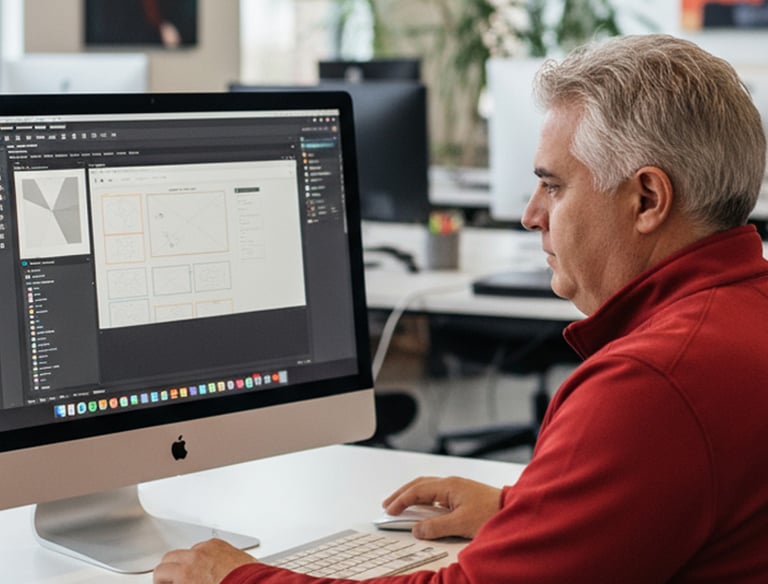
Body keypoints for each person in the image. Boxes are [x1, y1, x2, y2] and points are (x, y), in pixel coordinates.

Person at [153, 33, 768, 583]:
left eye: (553, 185)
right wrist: (522, 513)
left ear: (647, 199)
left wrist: (238, 580)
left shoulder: (652, 383)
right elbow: (675, 499)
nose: (531, 214)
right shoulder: (742, 316)